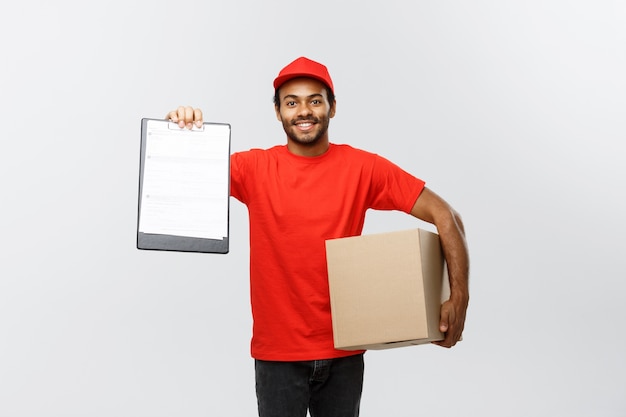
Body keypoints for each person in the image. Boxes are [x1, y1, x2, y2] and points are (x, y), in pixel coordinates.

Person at [166, 56, 469, 417]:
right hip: (277, 356)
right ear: (278, 112)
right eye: (291, 102)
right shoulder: (253, 169)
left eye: (315, 100)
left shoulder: (363, 168)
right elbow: (181, 175)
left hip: (345, 351)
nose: (304, 111)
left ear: (332, 107)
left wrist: (459, 295)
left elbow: (447, 216)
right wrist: (183, 131)